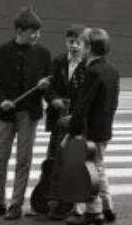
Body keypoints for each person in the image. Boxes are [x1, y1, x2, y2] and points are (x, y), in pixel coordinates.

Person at [0, 7, 52, 220]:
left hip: (29, 114)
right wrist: (1, 101)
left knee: (23, 161)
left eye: (38, 31)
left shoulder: (43, 54)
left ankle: (15, 205)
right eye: (32, 32)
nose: (37, 35)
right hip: (6, 114)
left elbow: (49, 83)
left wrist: (46, 87)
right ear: (19, 30)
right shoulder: (1, 51)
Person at [62, 28, 119, 225]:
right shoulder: (112, 71)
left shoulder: (92, 72)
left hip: (91, 130)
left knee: (88, 172)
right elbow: (113, 103)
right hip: (105, 129)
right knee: (98, 167)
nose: (80, 47)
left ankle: (94, 213)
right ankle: (107, 205)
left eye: (83, 44)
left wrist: (70, 133)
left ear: (89, 48)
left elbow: (82, 107)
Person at [42, 24, 87, 220]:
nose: (74, 46)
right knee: (53, 159)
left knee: (75, 162)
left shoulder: (88, 65)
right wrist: (53, 99)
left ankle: (74, 205)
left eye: (78, 42)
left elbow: (88, 96)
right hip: (57, 120)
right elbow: (48, 87)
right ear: (65, 42)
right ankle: (52, 200)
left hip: (77, 123)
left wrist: (76, 114)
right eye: (71, 42)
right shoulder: (58, 61)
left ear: (85, 44)